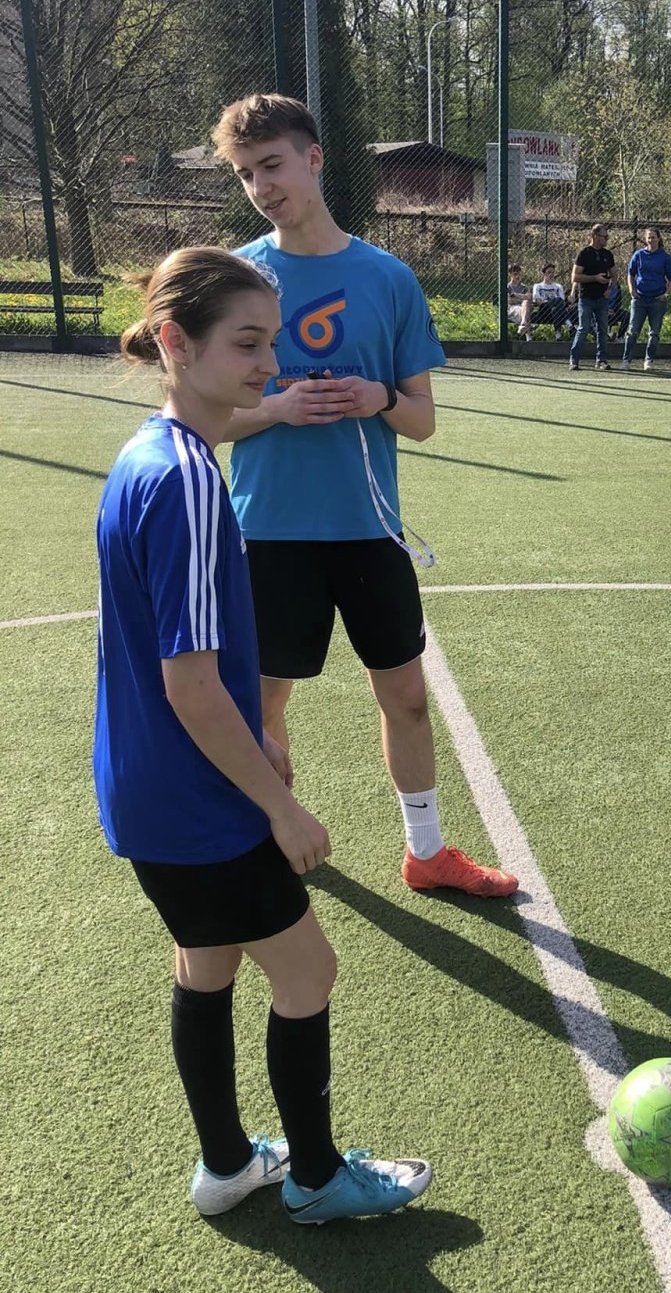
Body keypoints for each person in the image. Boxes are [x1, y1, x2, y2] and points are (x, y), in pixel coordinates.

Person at [95, 247, 434, 1222]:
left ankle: (226, 1165)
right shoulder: (193, 484)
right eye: (247, 344)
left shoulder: (148, 455)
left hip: (146, 786)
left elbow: (182, 671)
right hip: (196, 798)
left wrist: (256, 735)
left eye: (272, 343)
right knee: (308, 969)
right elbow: (192, 684)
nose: (269, 365)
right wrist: (278, 807)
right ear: (175, 341)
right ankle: (318, 1178)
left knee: (206, 961)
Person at [209, 94, 517, 900]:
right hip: (268, 532)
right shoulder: (236, 280)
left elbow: (422, 421)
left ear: (313, 159)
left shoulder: (388, 278)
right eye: (245, 175)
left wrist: (378, 398)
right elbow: (205, 422)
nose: (261, 187)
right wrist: (276, 409)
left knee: (406, 698)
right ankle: (267, 832)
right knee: (261, 703)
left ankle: (426, 852)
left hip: (369, 530)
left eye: (271, 166)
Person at [621, 226, 671, 371]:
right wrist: (632, 290)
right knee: (633, 331)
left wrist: (666, 294)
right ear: (645, 239)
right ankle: (626, 359)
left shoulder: (665, 257)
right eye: (648, 237)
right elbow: (630, 274)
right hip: (639, 299)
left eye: (653, 237)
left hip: (657, 300)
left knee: (654, 333)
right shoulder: (638, 255)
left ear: (659, 238)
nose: (651, 240)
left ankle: (648, 360)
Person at [569, 222, 615, 372]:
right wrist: (594, 278)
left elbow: (615, 275)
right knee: (583, 328)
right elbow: (575, 277)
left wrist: (610, 289)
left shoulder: (607, 255)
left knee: (603, 330)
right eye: (604, 236)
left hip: (602, 299)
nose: (606, 239)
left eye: (607, 236)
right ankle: (574, 360)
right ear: (594, 236)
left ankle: (601, 360)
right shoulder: (584, 254)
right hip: (587, 298)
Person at [527, 262, 570, 339]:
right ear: (543, 273)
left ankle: (558, 333)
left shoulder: (558, 286)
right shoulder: (538, 286)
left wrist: (550, 302)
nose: (551, 274)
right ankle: (568, 323)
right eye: (549, 272)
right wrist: (549, 302)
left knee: (556, 307)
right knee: (556, 300)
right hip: (544, 311)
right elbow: (537, 301)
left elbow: (562, 301)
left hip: (556, 313)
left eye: (553, 272)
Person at [505, 263, 533, 335]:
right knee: (526, 310)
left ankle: (523, 324)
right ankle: (528, 335)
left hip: (525, 308)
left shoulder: (525, 287)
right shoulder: (507, 287)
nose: (518, 276)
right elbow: (510, 301)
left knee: (526, 303)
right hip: (512, 309)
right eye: (515, 274)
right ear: (510, 274)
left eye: (519, 274)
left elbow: (529, 297)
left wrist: (515, 295)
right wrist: (523, 297)